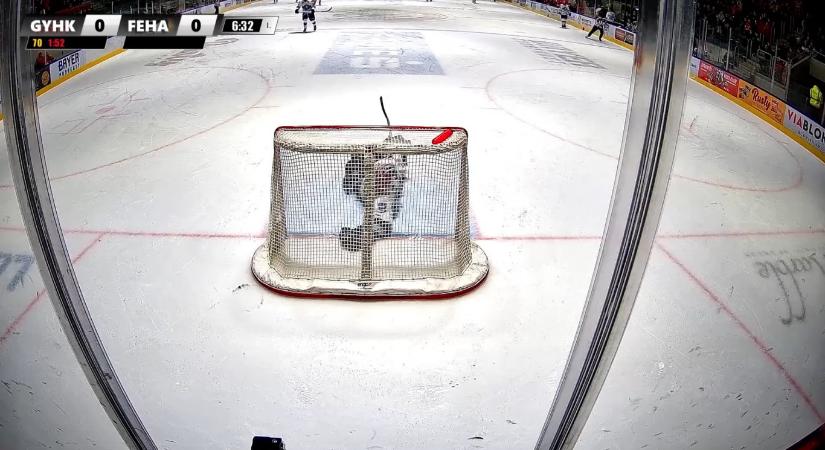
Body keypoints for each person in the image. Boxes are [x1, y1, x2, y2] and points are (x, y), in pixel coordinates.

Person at [339, 146, 409, 252]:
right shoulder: (361, 170)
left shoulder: (390, 170)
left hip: (380, 214)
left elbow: (383, 227)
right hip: (373, 198)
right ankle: (356, 238)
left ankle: (356, 238)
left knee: (379, 223)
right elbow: (348, 187)